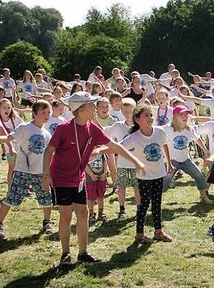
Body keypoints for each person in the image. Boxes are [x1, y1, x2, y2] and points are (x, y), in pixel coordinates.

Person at [42, 91, 146, 265]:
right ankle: (66, 253)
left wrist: (136, 161)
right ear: (81, 109)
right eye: (91, 106)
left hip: (78, 178)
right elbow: (49, 151)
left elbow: (115, 146)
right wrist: (46, 175)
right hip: (61, 178)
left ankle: (83, 252)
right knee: (66, 216)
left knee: (83, 213)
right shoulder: (64, 128)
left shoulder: (93, 128)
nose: (95, 109)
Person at [0, 100, 54, 238]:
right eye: (43, 112)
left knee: (46, 198)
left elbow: (50, 154)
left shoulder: (47, 134)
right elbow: (8, 138)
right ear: (34, 114)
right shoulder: (24, 128)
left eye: (48, 112)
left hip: (40, 173)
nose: (47, 115)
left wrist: (48, 174)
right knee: (11, 197)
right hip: (22, 171)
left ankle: (47, 222)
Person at [120, 104, 173, 243]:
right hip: (144, 176)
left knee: (157, 203)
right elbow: (120, 148)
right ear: (137, 119)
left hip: (158, 173)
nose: (150, 118)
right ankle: (139, 234)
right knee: (144, 204)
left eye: (151, 115)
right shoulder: (134, 137)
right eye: (146, 115)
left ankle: (158, 231)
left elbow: (164, 145)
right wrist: (100, 149)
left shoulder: (159, 132)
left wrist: (169, 163)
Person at [162, 103, 212, 204]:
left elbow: (197, 139)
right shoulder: (167, 129)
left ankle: (203, 196)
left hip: (186, 160)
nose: (185, 117)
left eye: (186, 115)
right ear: (175, 117)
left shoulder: (189, 129)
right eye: (182, 115)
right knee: (164, 181)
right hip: (172, 161)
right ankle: (154, 201)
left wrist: (205, 150)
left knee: (200, 176)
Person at [104, 98, 139, 219]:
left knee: (137, 187)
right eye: (125, 111)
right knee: (121, 187)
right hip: (123, 163)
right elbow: (104, 133)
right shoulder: (118, 126)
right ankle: (122, 209)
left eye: (131, 111)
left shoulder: (140, 126)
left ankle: (139, 209)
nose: (128, 113)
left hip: (137, 164)